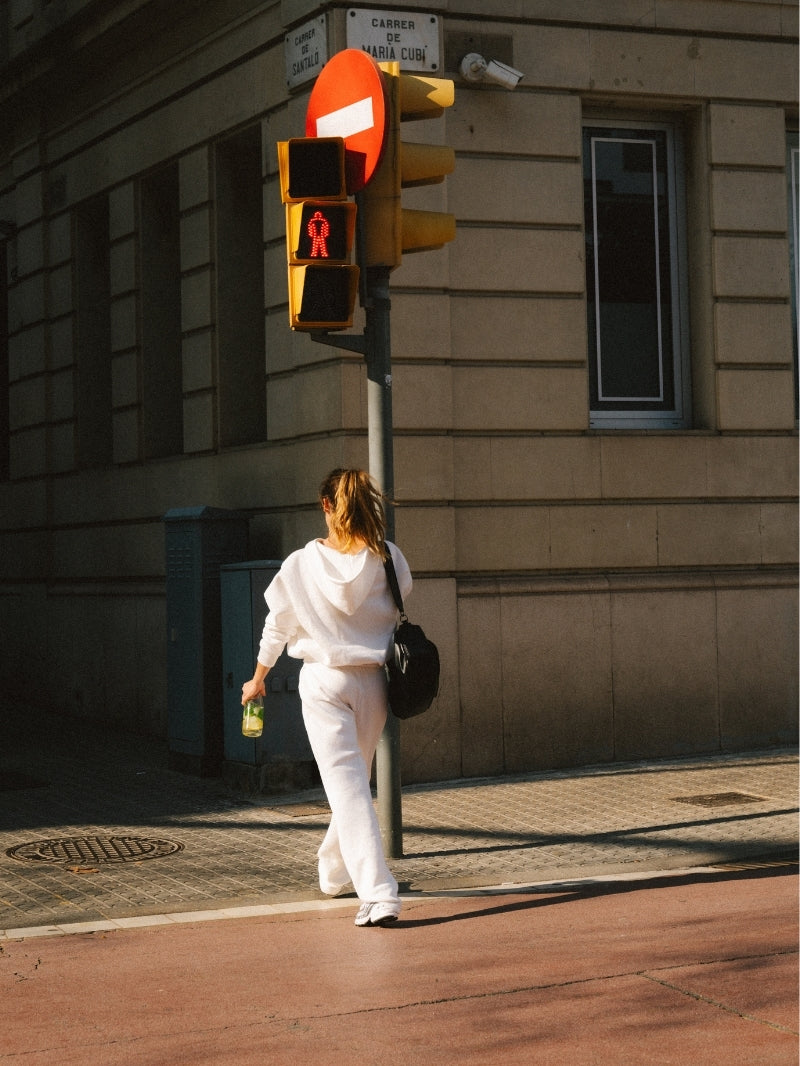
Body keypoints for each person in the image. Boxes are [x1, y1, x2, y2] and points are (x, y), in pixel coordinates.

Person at [241, 468, 412, 928]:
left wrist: (258, 677)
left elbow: (277, 625)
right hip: (374, 682)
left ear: (326, 506)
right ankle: (335, 873)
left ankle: (379, 894)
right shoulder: (389, 558)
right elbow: (402, 601)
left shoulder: (300, 564)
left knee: (348, 787)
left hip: (323, 681)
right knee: (354, 784)